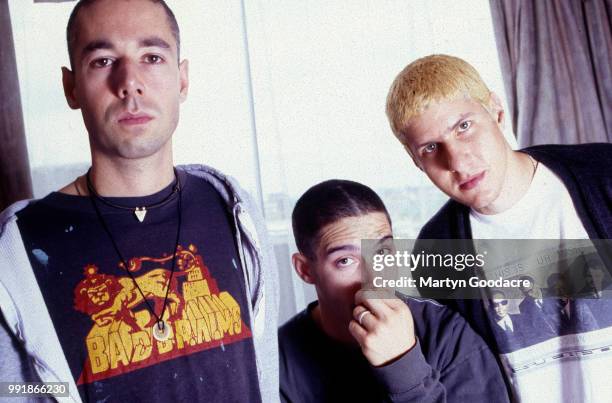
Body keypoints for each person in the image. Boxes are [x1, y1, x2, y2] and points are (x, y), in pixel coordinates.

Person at [0, 1, 278, 401]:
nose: (130, 81)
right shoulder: (18, 249)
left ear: (182, 80)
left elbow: (262, 371)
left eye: (151, 57)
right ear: (71, 87)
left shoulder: (232, 208)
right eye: (102, 60)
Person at [385, 54, 612, 401]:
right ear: (416, 162)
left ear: (497, 110)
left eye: (464, 126)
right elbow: (468, 381)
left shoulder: (604, 175)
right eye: (431, 148)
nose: (458, 162)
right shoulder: (434, 250)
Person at [279, 179, 508, 402]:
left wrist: (403, 368)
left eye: (382, 254)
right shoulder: (276, 359)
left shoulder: (447, 335)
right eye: (345, 261)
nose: (373, 278)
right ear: (305, 270)